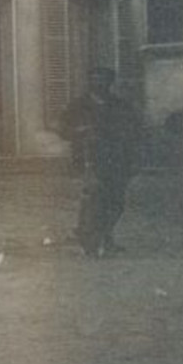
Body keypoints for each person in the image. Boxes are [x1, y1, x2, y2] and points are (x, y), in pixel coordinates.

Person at [65, 66, 142, 258]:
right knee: (93, 200)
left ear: (110, 82)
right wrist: (79, 131)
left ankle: (106, 235)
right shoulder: (78, 106)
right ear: (89, 81)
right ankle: (90, 241)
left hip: (117, 159)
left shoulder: (120, 105)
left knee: (116, 202)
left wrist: (133, 159)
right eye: (94, 78)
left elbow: (134, 131)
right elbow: (63, 128)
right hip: (90, 158)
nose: (98, 82)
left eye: (103, 79)